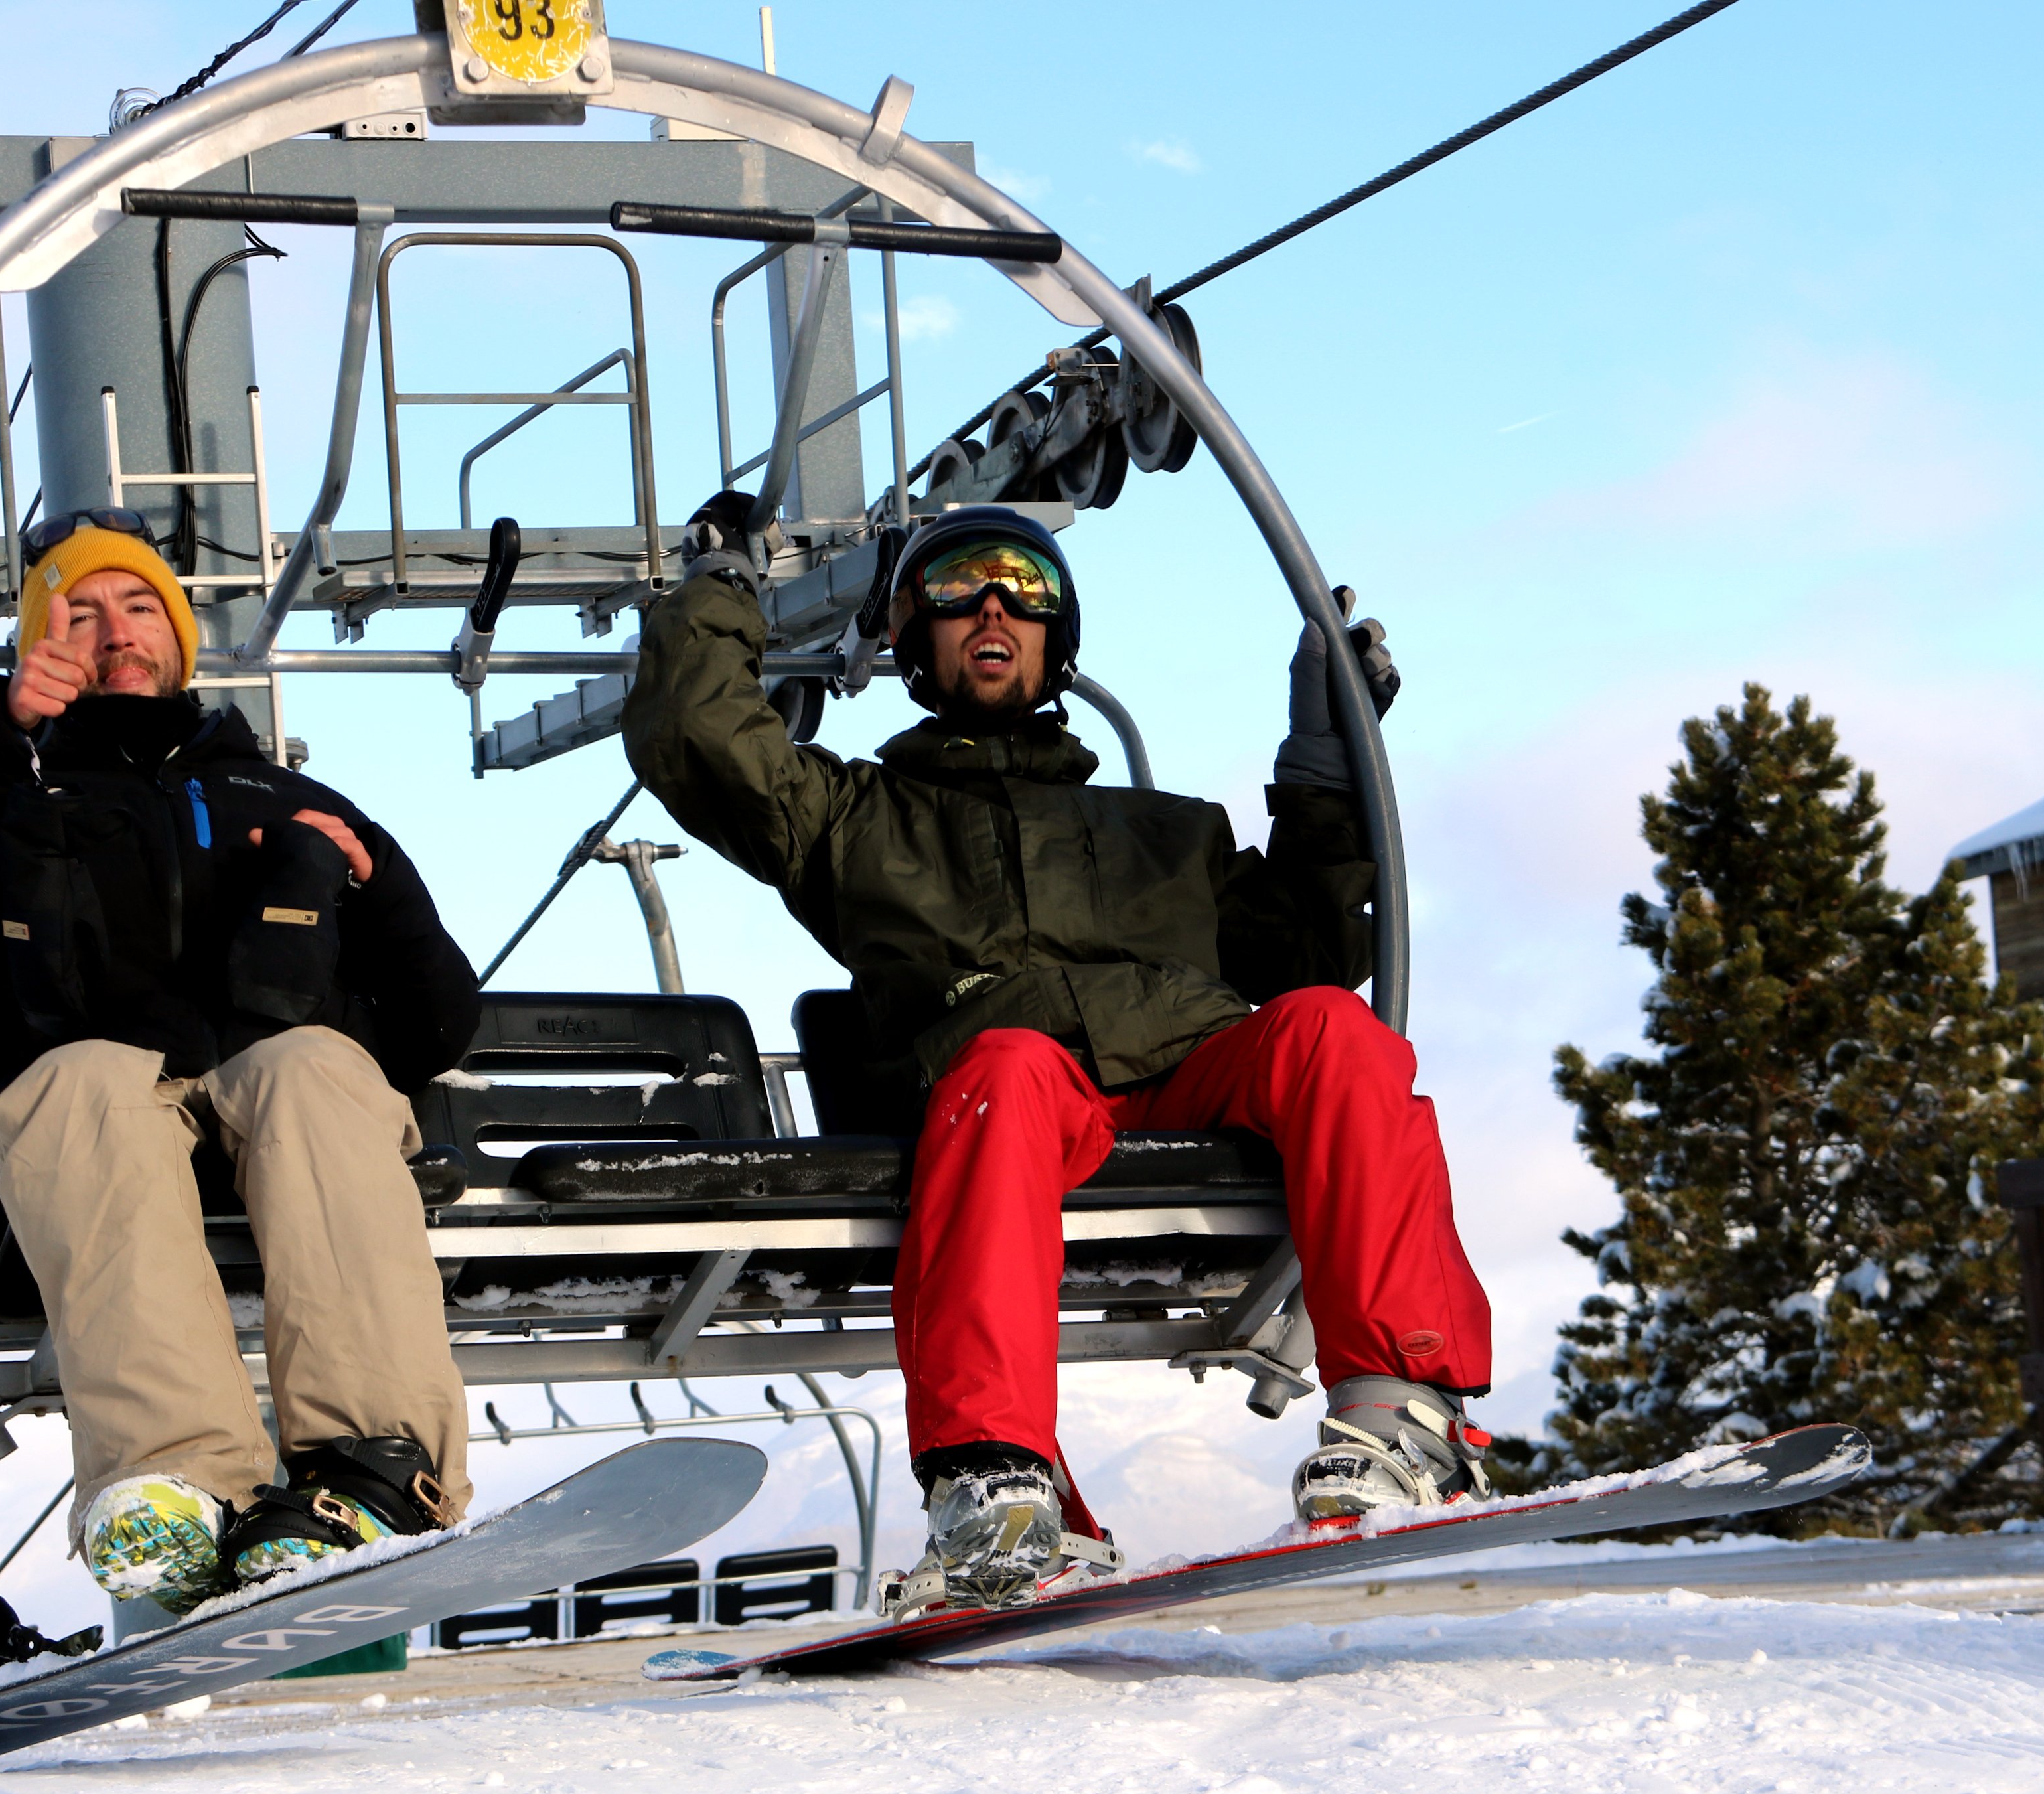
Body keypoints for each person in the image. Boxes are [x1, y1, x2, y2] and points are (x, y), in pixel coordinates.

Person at [624, 499, 1495, 1614]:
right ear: (909, 640)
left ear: (1055, 639)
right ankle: (995, 1479)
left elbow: (1310, 946)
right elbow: (700, 740)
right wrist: (720, 593)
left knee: (1331, 1026)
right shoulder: (856, 819)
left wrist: (1327, 773)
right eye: (956, 590)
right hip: (1017, 1090)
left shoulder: (1165, 830)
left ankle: (1400, 1410)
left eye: (1022, 588)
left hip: (1188, 1063)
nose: (992, 606)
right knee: (1007, 1068)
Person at [0, 510, 482, 1613]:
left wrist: (369, 883)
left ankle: (375, 1464)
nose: (112, 631)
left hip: (278, 1083)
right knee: (80, 1085)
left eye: (138, 606)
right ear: (41, 643)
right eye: (77, 613)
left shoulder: (289, 800)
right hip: (106, 1084)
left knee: (314, 1070)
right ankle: (176, 1475)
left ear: (180, 637)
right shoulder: (8, 800)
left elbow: (437, 1022)